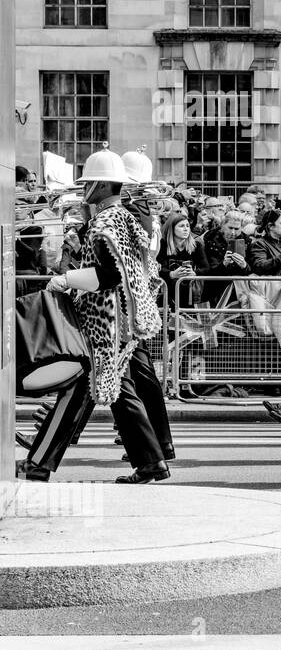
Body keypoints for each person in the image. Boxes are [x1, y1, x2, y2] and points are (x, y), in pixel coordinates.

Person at [28, 150, 171, 484]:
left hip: (104, 320)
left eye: (91, 182)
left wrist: (67, 279)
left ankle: (40, 462)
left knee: (83, 391)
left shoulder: (106, 223)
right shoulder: (123, 218)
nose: (85, 188)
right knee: (118, 393)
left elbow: (107, 275)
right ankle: (150, 462)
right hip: (119, 318)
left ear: (105, 185)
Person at [157, 212, 208, 309]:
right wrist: (171, 274)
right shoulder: (162, 245)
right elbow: (157, 267)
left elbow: (206, 268)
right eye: (181, 226)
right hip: (166, 294)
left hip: (189, 294)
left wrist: (194, 273)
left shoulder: (196, 246)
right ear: (172, 228)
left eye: (187, 226)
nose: (186, 229)